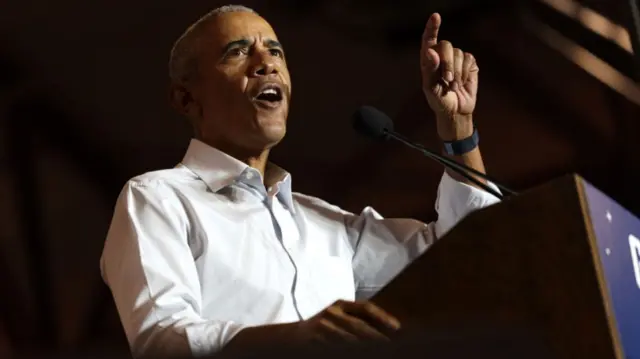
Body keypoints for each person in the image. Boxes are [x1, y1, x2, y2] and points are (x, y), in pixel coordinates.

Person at [100, 4, 501, 358]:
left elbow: (469, 259)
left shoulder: (330, 227)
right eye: (237, 52)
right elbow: (162, 341)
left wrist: (457, 128)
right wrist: (295, 340)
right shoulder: (160, 199)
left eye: (275, 51)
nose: (266, 62)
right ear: (186, 99)